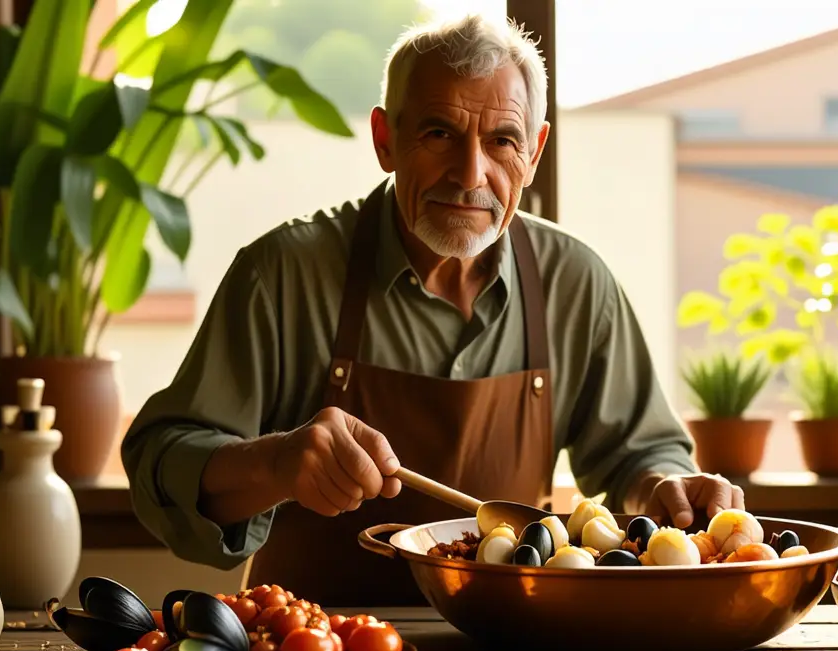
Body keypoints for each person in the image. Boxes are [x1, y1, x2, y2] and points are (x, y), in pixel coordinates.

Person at [121, 13, 745, 606]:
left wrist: (666, 486)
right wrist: (277, 462)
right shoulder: (282, 273)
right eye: (439, 133)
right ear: (385, 140)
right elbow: (161, 458)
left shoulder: (575, 282)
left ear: (533, 153)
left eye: (502, 140)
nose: (470, 174)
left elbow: (639, 455)